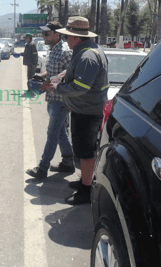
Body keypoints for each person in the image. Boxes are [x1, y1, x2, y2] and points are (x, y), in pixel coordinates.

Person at [44, 16, 109, 205]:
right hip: (84, 109)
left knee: (86, 153)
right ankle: (84, 181)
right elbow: (73, 73)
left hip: (87, 112)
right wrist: (59, 77)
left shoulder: (87, 56)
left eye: (67, 37)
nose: (66, 41)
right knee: (83, 151)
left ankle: (86, 191)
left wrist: (56, 88)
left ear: (75, 38)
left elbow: (80, 87)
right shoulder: (85, 51)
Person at [26, 21, 74, 179]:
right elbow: (54, 69)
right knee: (60, 132)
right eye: (43, 34)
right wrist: (42, 76)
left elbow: (68, 73)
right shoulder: (53, 49)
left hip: (61, 99)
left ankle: (42, 168)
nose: (43, 36)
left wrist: (50, 83)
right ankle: (68, 162)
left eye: (46, 34)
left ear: (57, 34)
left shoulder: (65, 51)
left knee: (52, 133)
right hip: (52, 98)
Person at [21, 33, 38, 97]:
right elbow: (28, 54)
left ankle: (32, 90)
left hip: (32, 64)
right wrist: (22, 54)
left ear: (29, 38)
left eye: (26, 38)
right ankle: (29, 89)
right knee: (29, 77)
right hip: (29, 64)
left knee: (31, 77)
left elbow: (35, 55)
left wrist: (34, 63)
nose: (25, 39)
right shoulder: (28, 44)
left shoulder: (32, 45)